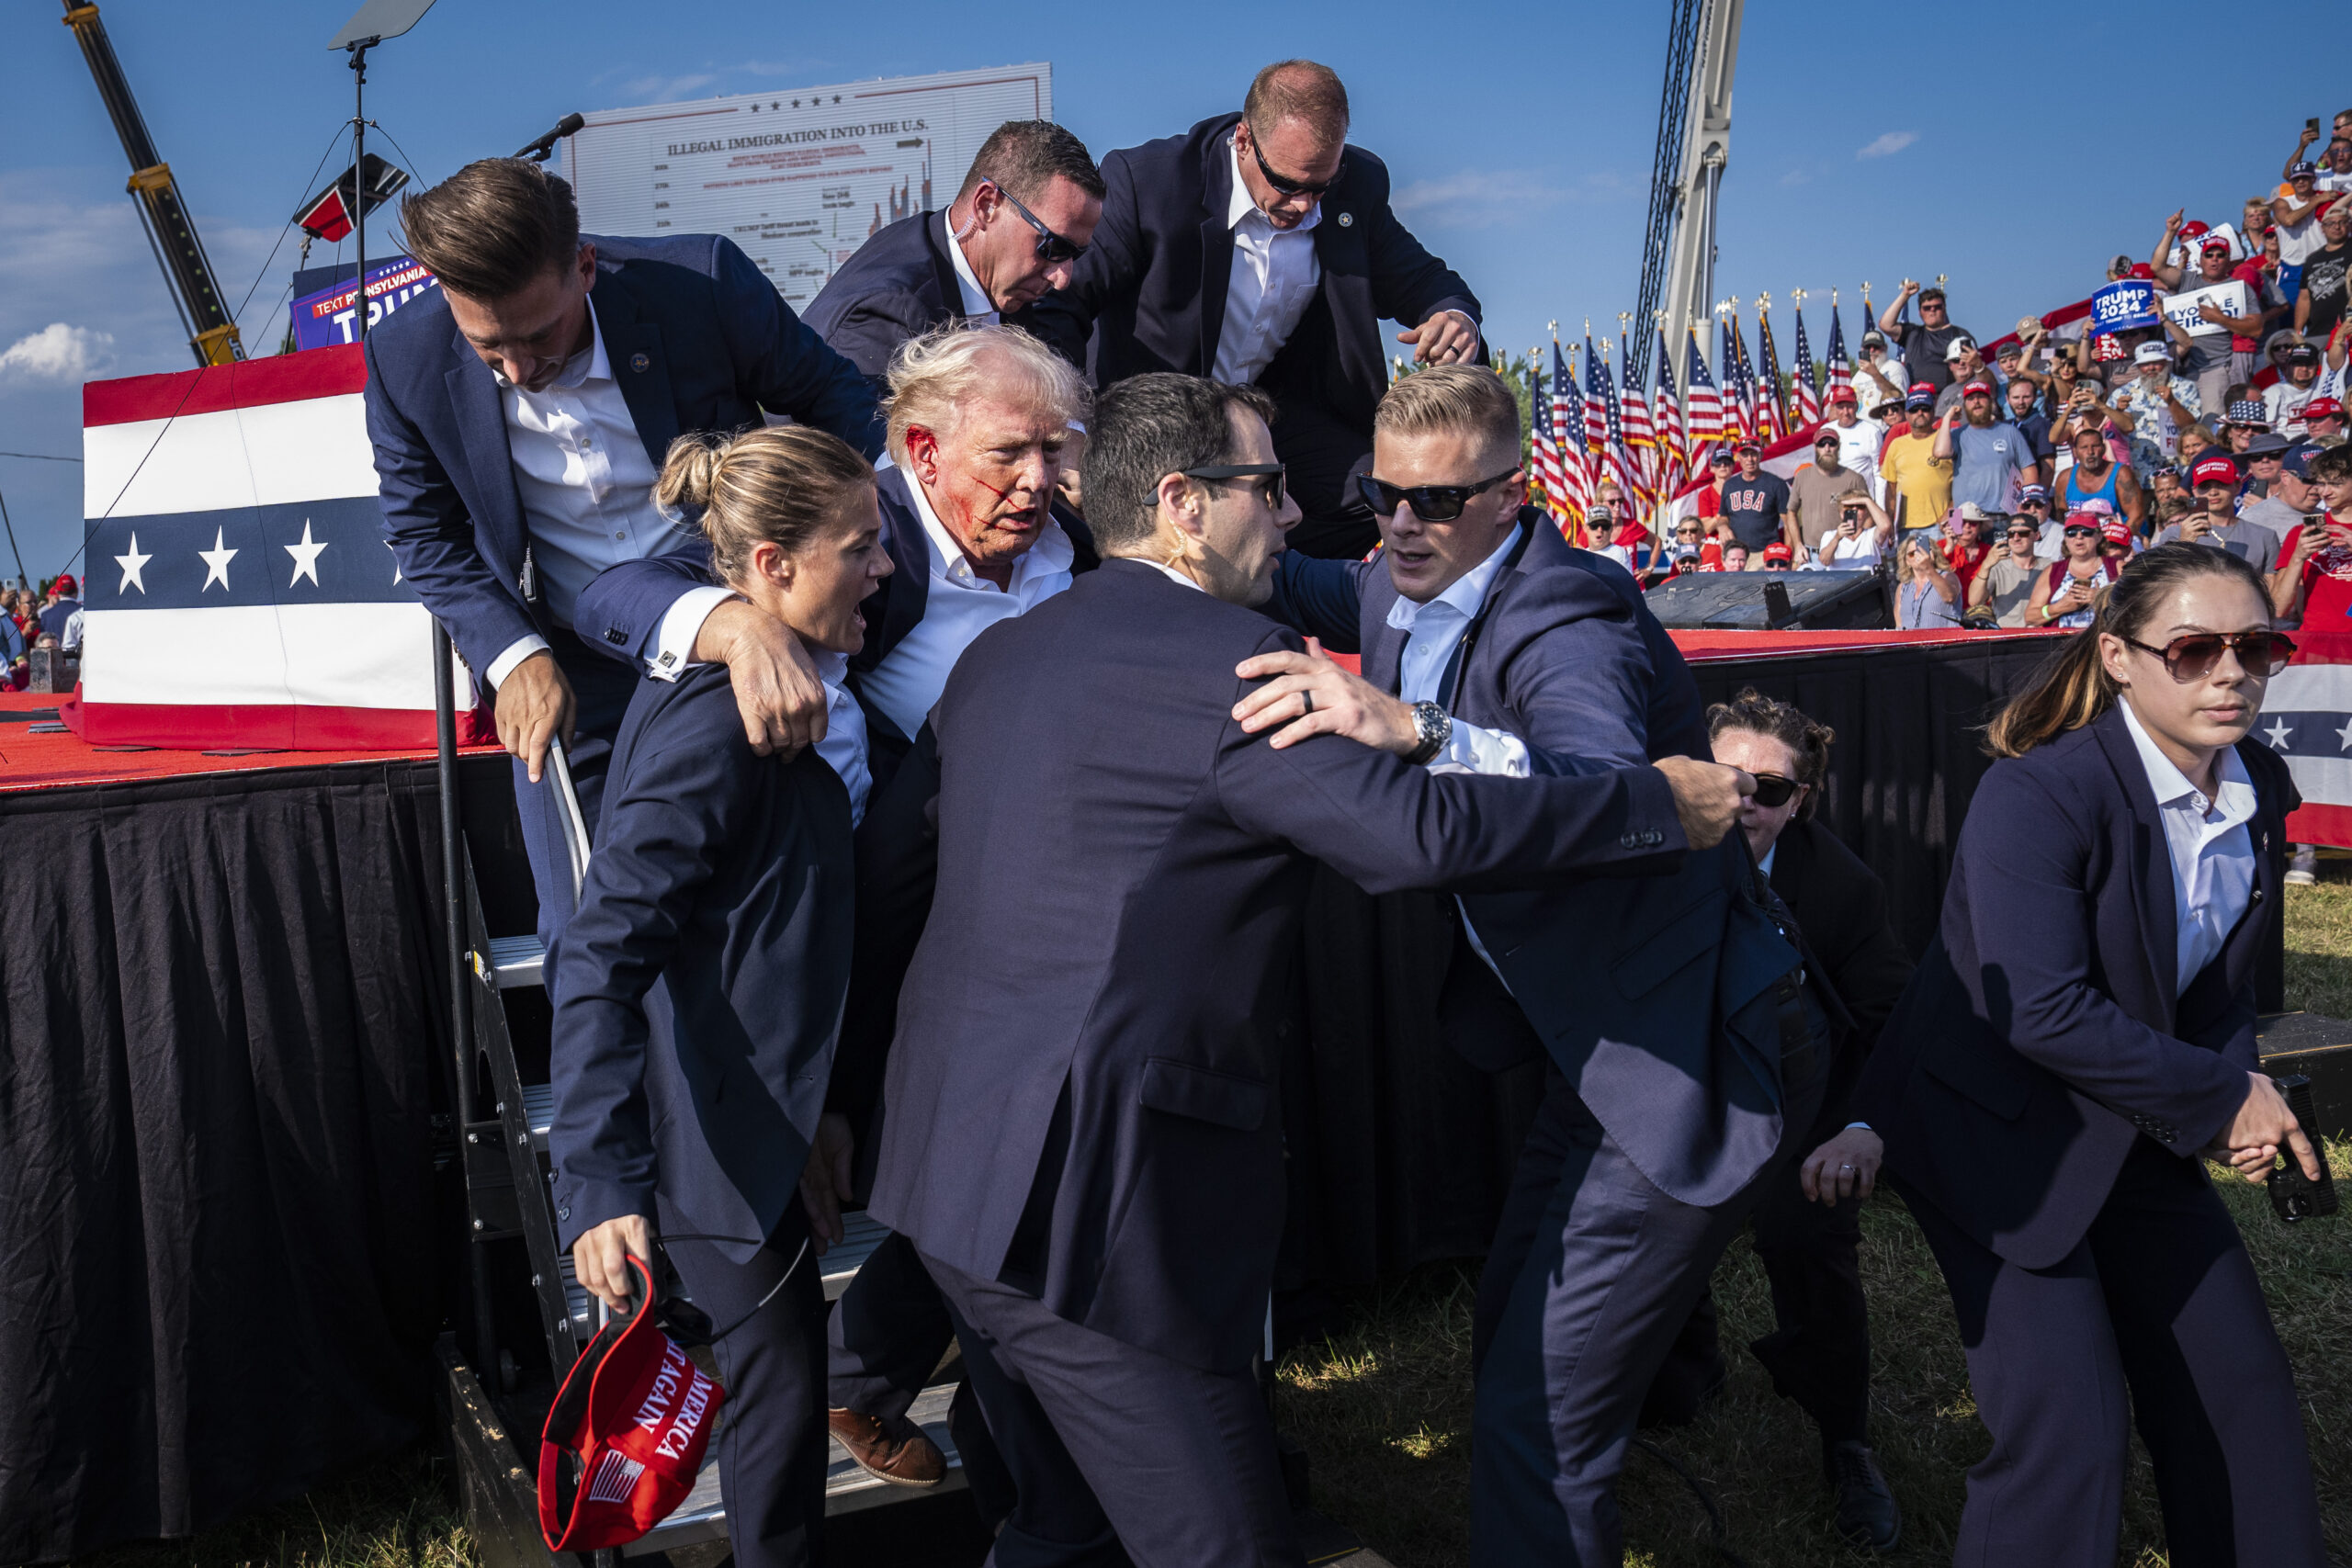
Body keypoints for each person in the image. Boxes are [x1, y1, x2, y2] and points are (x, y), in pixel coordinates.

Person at [865, 370, 1751, 1568]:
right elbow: (1419, 837)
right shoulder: (1238, 667)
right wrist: (1655, 801)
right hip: (1094, 1217)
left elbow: (890, 884)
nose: (1293, 519)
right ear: (1183, 502)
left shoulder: (1001, 659)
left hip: (946, 1185)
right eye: (1270, 487)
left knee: (1064, 1521)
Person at [1251, 365, 1827, 1563]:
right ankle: (1667, 1365)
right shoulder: (1399, 575)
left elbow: (1610, 788)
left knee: (1536, 1416)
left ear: (1511, 497)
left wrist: (1417, 729)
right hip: (1591, 1040)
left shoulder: (1569, 614)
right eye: (1381, 493)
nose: (1401, 522)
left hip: (1685, 1044)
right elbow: (1297, 572)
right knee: (1515, 1327)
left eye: (1436, 500)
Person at [571, 322, 1091, 1495]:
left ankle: (945, 1414)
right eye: (1012, 454)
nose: (1040, 483)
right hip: (829, 996)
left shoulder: (1073, 547)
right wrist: (737, 623)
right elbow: (618, 586)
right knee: (780, 1422)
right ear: (923, 451)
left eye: (1056, 454)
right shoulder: (858, 548)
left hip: (954, 953)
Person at [1855, 543, 2325, 1567]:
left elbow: (2217, 988)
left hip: (2135, 1117)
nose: (2231, 672)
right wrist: (2217, 1098)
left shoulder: (2263, 781)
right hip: (1991, 1132)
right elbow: (2041, 1011)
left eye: (2258, 646)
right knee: (2069, 1434)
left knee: (2240, 1399)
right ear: (2117, 657)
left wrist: (2236, 1082)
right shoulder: (2043, 793)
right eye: (2194, 649)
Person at [364, 157, 881, 948]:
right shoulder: (400, 359)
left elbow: (839, 403)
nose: (519, 373)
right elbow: (425, 536)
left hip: (747, 628)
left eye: (540, 338)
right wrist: (512, 655)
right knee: (586, 929)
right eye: (487, 347)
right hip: (571, 666)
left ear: (585, 266)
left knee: (775, 902)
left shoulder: (701, 283)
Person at [550, 424, 891, 1568]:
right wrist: (601, 1179)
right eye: (861, 548)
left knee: (783, 1410)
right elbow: (601, 950)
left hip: (760, 1130)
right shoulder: (716, 724)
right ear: (771, 568)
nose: (884, 569)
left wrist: (813, 1116)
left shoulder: (799, 680)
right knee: (774, 1420)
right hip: (702, 1144)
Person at [1026, 60, 1484, 559]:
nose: (1306, 206)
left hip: (1264, 415)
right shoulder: (1149, 182)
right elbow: (1060, 302)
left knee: (1376, 494)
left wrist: (1453, 317)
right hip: (1149, 418)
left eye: (1321, 188)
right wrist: (1067, 429)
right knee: (1136, 544)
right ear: (1242, 140)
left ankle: (1270, 586)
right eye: (1287, 184)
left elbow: (1427, 281)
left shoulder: (1359, 188)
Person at [1708, 691, 1916, 1552]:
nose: (1741, 801)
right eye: (1722, 778)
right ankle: (1672, 1381)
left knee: (1809, 1237)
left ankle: (1846, 1439)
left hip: (1802, 1107)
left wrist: (1861, 1127)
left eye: (1766, 787)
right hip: (1672, 1097)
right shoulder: (1641, 850)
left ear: (1800, 800)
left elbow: (1894, 1024)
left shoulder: (1839, 887)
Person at [801, 120, 1102, 389]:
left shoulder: (1005, 284)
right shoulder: (886, 318)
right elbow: (875, 451)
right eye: (1054, 247)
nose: (1062, 278)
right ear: (986, 206)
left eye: (1077, 254)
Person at [2269, 444, 2352, 626]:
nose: (2324, 491)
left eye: (2335, 484)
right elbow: (2278, 608)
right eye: (2321, 483)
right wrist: (2298, 557)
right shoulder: (2301, 533)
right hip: (2317, 644)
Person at [2157, 452, 2284, 566]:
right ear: (2195, 491)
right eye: (2205, 486)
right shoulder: (2173, 535)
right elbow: (2163, 583)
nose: (2213, 492)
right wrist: (2185, 544)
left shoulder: (2264, 536)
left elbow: (2271, 588)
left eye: (2221, 484)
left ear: (2238, 486)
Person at [1935, 381, 2040, 513]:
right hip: (1962, 516)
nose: (1976, 402)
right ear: (1964, 405)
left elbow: (2029, 471)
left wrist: (2025, 506)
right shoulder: (1957, 434)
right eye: (1971, 399)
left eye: (1981, 397)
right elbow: (1940, 453)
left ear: (1991, 402)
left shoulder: (2010, 432)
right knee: (1952, 533)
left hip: (2002, 516)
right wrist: (1947, 418)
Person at [2109, 341, 2202, 476]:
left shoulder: (2186, 387)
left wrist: (2172, 402)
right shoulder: (2122, 393)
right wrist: (2118, 412)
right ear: (2138, 366)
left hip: (2179, 471)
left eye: (2156, 362)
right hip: (2139, 474)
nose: (2151, 368)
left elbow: (2192, 427)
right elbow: (2111, 435)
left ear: (2166, 362)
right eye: (2145, 364)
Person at [2027, 515, 2123, 627]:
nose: (2079, 537)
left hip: (2102, 641)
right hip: (2060, 643)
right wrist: (2060, 607)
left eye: (2086, 532)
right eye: (2071, 533)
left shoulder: (2117, 567)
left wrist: (2101, 600)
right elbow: (2030, 618)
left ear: (2099, 536)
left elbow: (2135, 612)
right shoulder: (2053, 571)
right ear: (2065, 539)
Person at [1879, 386, 1954, 529]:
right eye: (1914, 409)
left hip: (1942, 526)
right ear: (1906, 415)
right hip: (1905, 529)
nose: (1920, 413)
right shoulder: (1896, 444)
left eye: (1925, 408)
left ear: (1933, 412)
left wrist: (1953, 520)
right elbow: (1891, 490)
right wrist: (1889, 525)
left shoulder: (1948, 439)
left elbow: (1961, 485)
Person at [1878, 281, 1971, 396]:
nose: (1932, 310)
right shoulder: (1913, 333)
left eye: (1937, 307)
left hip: (1947, 399)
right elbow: (1885, 325)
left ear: (1944, 308)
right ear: (1920, 312)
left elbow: (1972, 369)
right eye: (1927, 308)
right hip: (1915, 401)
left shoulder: (1959, 335)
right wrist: (1905, 295)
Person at [1789, 429, 1871, 555]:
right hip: (1811, 554)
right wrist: (1798, 545)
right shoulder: (1802, 476)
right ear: (1815, 447)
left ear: (1838, 447)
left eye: (1832, 443)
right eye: (1822, 444)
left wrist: (1859, 544)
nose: (1827, 448)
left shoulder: (1854, 479)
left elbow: (1868, 516)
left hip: (1843, 552)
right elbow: (1791, 512)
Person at [2057, 424, 2146, 535]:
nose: (2090, 452)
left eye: (2095, 446)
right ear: (2075, 451)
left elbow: (2136, 516)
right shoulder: (2064, 478)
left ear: (2103, 449)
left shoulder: (2121, 474)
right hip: (2081, 541)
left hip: (2119, 539)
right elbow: (2061, 519)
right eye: (2084, 447)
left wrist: (2117, 542)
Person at [1719, 439, 1796, 559]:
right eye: (1745, 455)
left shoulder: (1776, 484)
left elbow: (1789, 522)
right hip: (1737, 555)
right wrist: (1722, 527)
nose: (1749, 459)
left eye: (1753, 454)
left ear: (1761, 456)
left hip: (1766, 553)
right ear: (1738, 457)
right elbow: (1723, 516)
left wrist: (1788, 556)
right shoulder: (1729, 485)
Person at [2293, 200, 2352, 348]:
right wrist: (2298, 332)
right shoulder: (2312, 259)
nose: (2336, 227)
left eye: (2342, 222)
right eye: (2330, 223)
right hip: (2316, 332)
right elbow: (2304, 298)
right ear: (2322, 229)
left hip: (2347, 329)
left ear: (2349, 225)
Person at [1973, 514, 2046, 626]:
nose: (2016, 538)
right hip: (2005, 636)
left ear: (2036, 535)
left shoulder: (2050, 567)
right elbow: (1974, 601)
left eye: (2023, 533)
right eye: (2011, 534)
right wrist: (1986, 565)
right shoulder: (1997, 567)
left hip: (2041, 635)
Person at [2273, 163, 2327, 304]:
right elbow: (2289, 220)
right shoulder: (2282, 202)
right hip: (2292, 267)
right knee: (2289, 314)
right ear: (2291, 182)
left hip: (2321, 264)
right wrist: (2316, 201)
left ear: (2313, 180)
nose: (2301, 181)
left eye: (2305, 177)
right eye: (2296, 179)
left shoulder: (2325, 200)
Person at [1823, 387, 1883, 498]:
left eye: (1849, 406)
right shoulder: (1825, 431)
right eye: (1841, 407)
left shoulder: (1872, 431)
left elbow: (1879, 474)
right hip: (1833, 500)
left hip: (1861, 501)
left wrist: (1879, 507)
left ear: (1856, 406)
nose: (1845, 412)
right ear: (1834, 408)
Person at [1896, 534, 1962, 628]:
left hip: (1943, 641)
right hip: (1910, 642)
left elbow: (1949, 597)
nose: (1917, 556)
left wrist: (1928, 567)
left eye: (1921, 552)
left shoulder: (1948, 576)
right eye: (1912, 554)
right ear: (1906, 561)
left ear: (1932, 554)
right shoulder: (1902, 588)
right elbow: (1899, 625)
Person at [1815, 492, 1891, 569]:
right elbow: (1824, 561)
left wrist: (1867, 501)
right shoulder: (1830, 535)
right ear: (1841, 513)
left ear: (1866, 512)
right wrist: (1837, 538)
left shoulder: (1871, 534)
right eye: (1849, 506)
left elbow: (1885, 526)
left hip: (1869, 580)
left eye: (1860, 506)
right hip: (1842, 580)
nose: (1855, 510)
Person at [2266, 341, 2327, 435]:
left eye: (2309, 364)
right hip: (2285, 443)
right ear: (2288, 366)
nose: (2304, 369)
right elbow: (2267, 428)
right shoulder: (2273, 393)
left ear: (2317, 366)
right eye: (2298, 364)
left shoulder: (2326, 385)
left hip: (2319, 440)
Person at [1931, 338, 1988, 422]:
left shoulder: (1982, 381)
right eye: (1956, 360)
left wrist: (1979, 365)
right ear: (1950, 365)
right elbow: (1937, 421)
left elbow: (1990, 384)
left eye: (1965, 359)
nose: (1961, 363)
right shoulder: (1946, 391)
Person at [35, 574, 77, 647]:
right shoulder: (83, 613)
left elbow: (43, 642)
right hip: (80, 657)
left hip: (54, 656)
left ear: (57, 592)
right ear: (77, 591)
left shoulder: (46, 615)